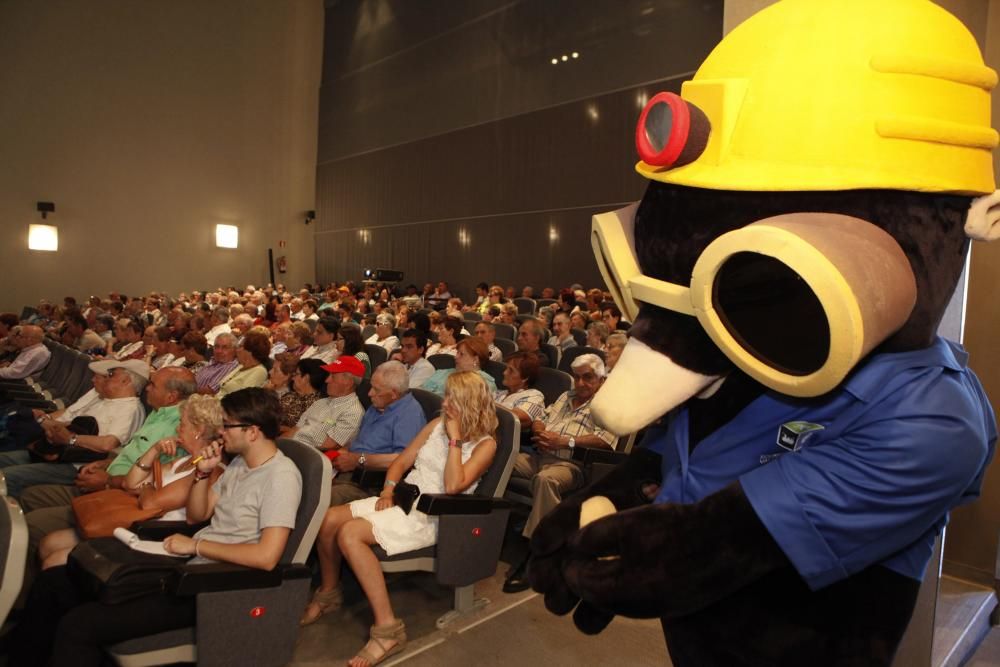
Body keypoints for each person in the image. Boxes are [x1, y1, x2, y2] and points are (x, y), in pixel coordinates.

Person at [13, 388, 302, 667]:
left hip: (212, 585)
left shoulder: (280, 477)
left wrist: (195, 546)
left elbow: (267, 557)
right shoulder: (239, 464)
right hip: (189, 564)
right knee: (56, 583)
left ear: (252, 432)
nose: (221, 431)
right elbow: (197, 514)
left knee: (80, 625)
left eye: (227, 426)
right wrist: (202, 473)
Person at [300, 372, 497, 667]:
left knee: (350, 534)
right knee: (329, 519)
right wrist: (389, 489)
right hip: (404, 499)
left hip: (435, 512)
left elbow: (454, 485)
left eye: (451, 399)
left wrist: (455, 440)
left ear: (468, 403)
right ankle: (329, 593)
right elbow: (403, 461)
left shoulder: (485, 445)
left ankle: (387, 630)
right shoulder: (436, 424)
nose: (444, 403)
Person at [36, 394, 225, 569]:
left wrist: (146, 488)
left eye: (182, 424)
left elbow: (150, 503)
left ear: (198, 431)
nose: (177, 429)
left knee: (56, 559)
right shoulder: (184, 461)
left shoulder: (209, 470)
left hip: (153, 537)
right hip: (133, 522)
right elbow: (130, 483)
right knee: (48, 543)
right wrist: (154, 450)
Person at [503, 354, 615, 593]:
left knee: (545, 480)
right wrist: (541, 431)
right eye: (577, 377)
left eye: (588, 377)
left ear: (602, 379)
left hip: (573, 465)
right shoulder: (566, 396)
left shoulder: (608, 404)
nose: (581, 383)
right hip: (540, 455)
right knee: (500, 459)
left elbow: (606, 440)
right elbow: (541, 418)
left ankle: (539, 554)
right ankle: (482, 528)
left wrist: (565, 442)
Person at [326, 361, 426, 506]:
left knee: (319, 499)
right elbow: (360, 441)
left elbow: (401, 460)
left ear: (394, 394)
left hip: (371, 482)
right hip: (346, 470)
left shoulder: (409, 414)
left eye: (376, 389)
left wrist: (358, 460)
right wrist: (344, 451)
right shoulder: (377, 405)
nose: (369, 393)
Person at [287, 356, 365, 450]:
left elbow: (328, 447)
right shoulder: (320, 402)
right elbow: (295, 430)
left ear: (348, 382)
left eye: (333, 376)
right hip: (291, 448)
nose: (327, 380)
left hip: (309, 457)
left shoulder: (353, 412)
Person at [420, 337, 497, 397]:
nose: (455, 357)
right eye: (457, 353)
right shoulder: (442, 372)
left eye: (461, 354)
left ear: (475, 359)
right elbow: (421, 393)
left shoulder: (484, 384)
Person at [494, 352, 545, 429]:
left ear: (525, 378)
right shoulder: (500, 393)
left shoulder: (534, 395)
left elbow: (516, 417)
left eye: (511, 370)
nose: (504, 373)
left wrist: (487, 405)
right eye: (506, 368)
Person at [216, 331, 270, 397]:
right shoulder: (241, 366)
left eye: (240, 346)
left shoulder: (259, 371)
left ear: (249, 351)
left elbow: (244, 398)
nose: (236, 350)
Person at [279, 358, 327, 429]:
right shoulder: (291, 395)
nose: (293, 378)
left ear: (306, 378)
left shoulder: (317, 404)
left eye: (296, 374)